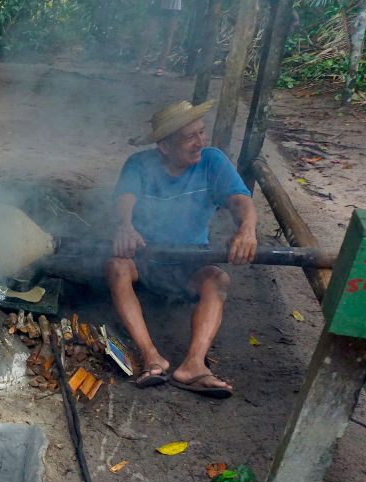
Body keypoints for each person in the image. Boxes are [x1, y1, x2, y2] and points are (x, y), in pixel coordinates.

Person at [106, 100, 258, 399]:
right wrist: (125, 225)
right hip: (144, 259)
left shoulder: (213, 161)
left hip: (191, 261)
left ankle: (194, 365)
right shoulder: (139, 163)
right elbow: (125, 198)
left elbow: (240, 200)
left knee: (219, 280)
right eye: (191, 137)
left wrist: (247, 230)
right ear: (164, 146)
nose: (201, 142)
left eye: (202, 133)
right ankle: (151, 357)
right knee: (115, 266)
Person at [136, 0, 182, 77]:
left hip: (173, 6)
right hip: (157, 4)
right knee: (148, 34)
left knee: (168, 37)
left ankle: (160, 67)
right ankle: (138, 64)